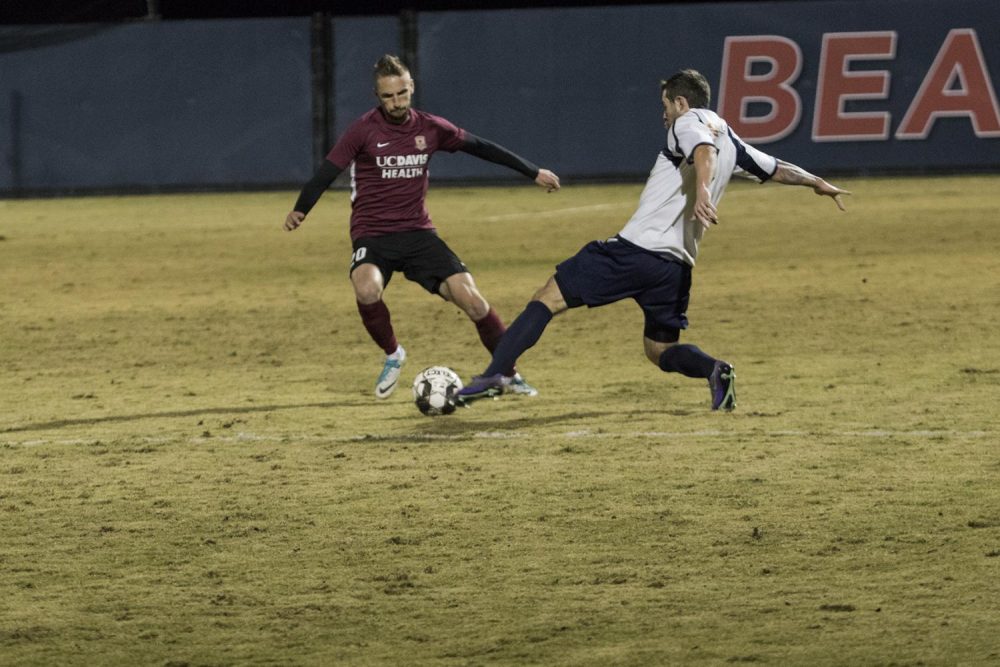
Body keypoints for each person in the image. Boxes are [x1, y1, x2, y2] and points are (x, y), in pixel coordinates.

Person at [458, 68, 849, 411]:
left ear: (681, 102)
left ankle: (497, 375)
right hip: (675, 268)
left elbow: (702, 151)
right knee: (658, 350)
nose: (663, 115)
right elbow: (776, 167)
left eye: (665, 105)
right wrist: (815, 182)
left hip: (635, 251)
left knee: (548, 298)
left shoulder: (688, 123)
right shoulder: (729, 136)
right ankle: (715, 370)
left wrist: (704, 192)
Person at [284, 54, 561, 399]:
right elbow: (327, 172)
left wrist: (533, 171)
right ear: (377, 96)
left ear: (411, 88)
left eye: (402, 93)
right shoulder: (363, 130)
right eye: (388, 97)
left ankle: (507, 373)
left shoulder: (431, 128)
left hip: (418, 234)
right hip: (373, 233)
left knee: (473, 301)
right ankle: (393, 354)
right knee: (367, 289)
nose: (396, 103)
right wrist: (301, 209)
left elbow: (483, 148)